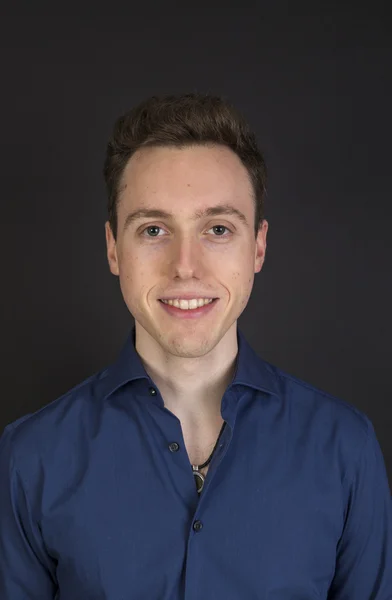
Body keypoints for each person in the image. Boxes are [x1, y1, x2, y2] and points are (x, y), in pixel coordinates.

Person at [0, 93, 391, 599]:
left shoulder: (345, 449)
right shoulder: (30, 458)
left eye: (218, 229)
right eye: (154, 229)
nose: (186, 266)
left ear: (259, 247)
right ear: (114, 248)